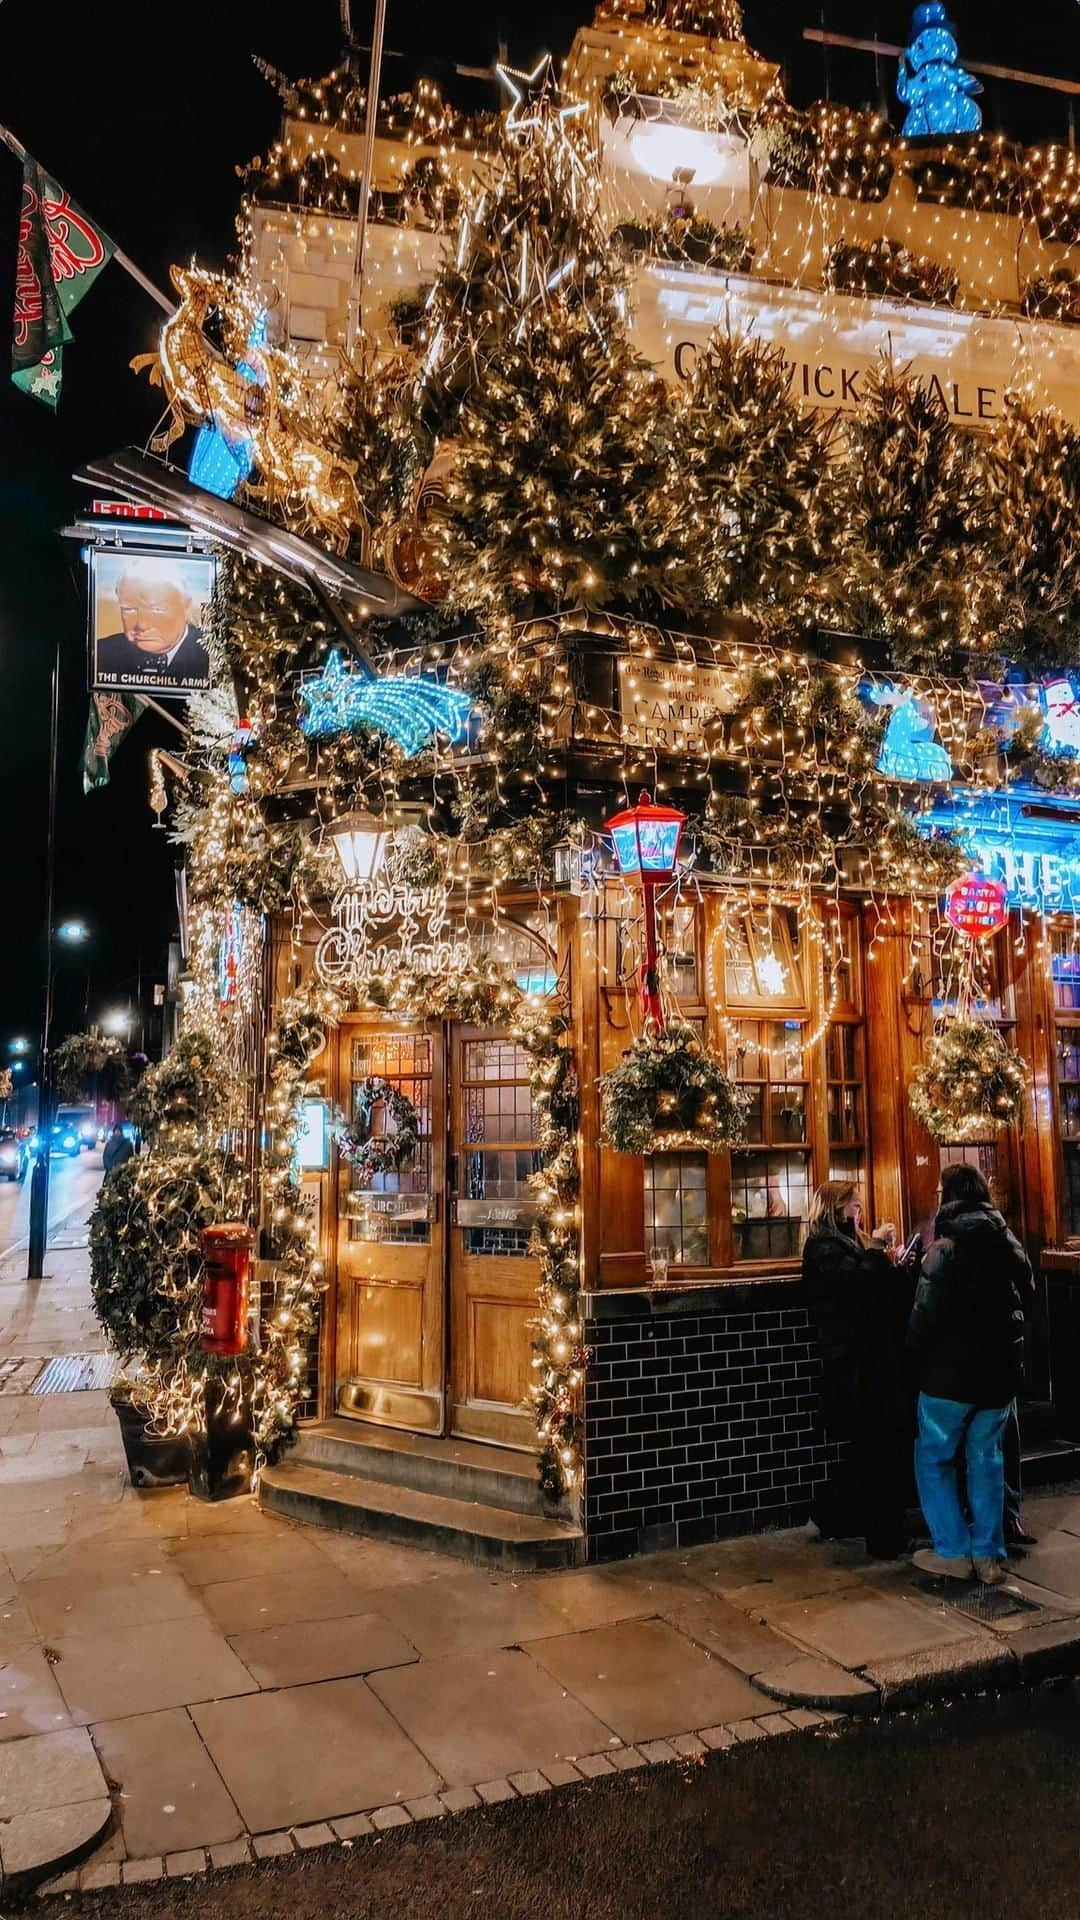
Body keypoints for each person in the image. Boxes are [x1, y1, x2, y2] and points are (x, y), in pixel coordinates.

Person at [908, 1162, 1030, 1586]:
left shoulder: (945, 1246)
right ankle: (990, 1557)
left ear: (948, 1196)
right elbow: (1027, 1293)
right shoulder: (1005, 1239)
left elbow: (924, 1316)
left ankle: (953, 1551)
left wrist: (913, 1351)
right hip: (999, 1375)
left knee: (934, 1458)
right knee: (987, 1459)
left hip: (950, 1377)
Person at [801, 1180, 912, 1560]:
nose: (859, 1214)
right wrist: (879, 1250)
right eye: (854, 1207)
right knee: (876, 1448)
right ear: (835, 1209)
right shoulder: (822, 1249)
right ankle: (873, 1532)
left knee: (875, 1448)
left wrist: (893, 1261)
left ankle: (839, 1517)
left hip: (872, 1361)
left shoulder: (850, 1244)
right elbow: (857, 1290)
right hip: (855, 1365)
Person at [95, 566, 210, 687]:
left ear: (186, 606)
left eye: (157, 610)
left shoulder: (213, 656)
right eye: (129, 609)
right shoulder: (101, 652)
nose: (142, 625)